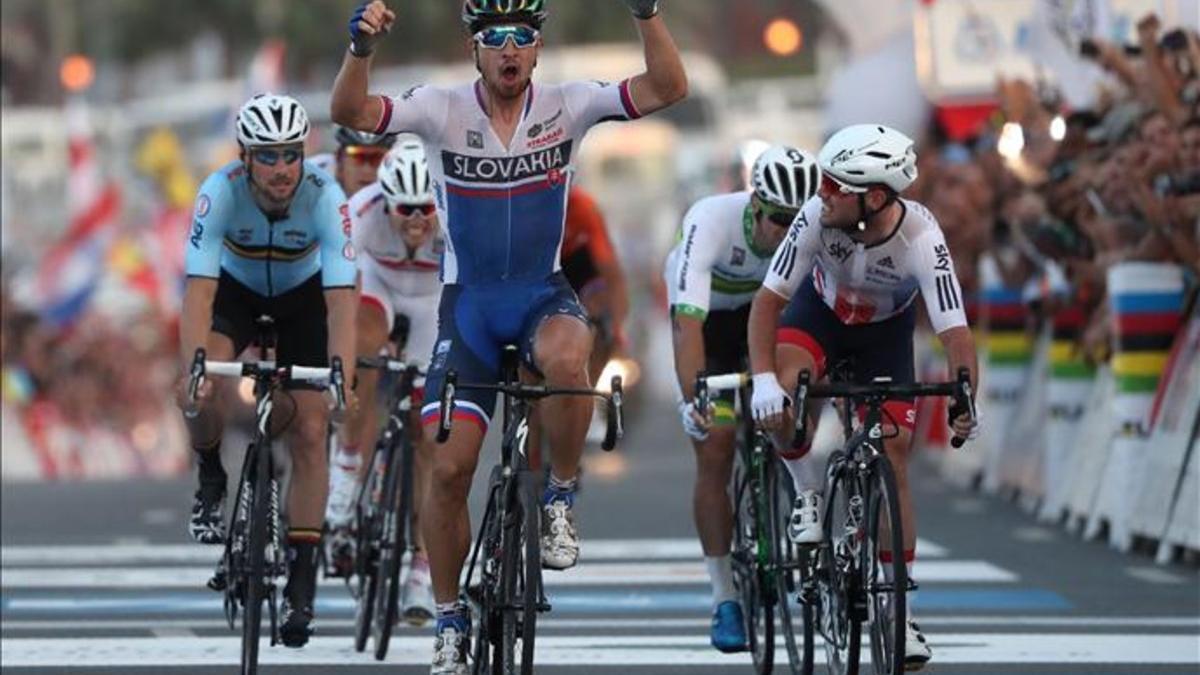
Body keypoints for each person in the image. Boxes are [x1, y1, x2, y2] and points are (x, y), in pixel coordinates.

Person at [329, 0, 687, 671]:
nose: (509, 50)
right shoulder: (440, 110)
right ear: (475, 48)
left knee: (568, 352)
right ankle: (447, 618)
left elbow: (669, 87)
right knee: (447, 470)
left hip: (539, 294)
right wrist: (360, 48)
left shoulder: (569, 105)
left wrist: (646, 13)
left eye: (522, 36)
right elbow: (350, 113)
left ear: (538, 48)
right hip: (468, 310)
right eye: (495, 38)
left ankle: (558, 495)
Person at [747, 124, 980, 671]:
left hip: (883, 337)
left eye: (834, 185)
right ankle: (806, 490)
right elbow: (767, 305)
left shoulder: (921, 235)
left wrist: (964, 397)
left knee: (893, 457)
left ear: (874, 198)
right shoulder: (815, 218)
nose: (820, 192)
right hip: (819, 318)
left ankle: (898, 615)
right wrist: (762, 381)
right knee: (785, 395)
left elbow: (955, 332)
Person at [176, 93, 359, 647]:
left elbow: (342, 303)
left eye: (291, 155)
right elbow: (199, 293)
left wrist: (342, 379)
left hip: (304, 300)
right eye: (267, 156)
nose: (281, 169)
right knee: (194, 392)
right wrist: (195, 370)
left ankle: (302, 579)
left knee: (309, 428)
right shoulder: (219, 193)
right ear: (245, 157)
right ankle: (211, 475)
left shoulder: (328, 198)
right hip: (234, 293)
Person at [665, 144, 820, 652]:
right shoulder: (711, 219)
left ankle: (804, 500)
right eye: (779, 219)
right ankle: (724, 597)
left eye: (798, 221)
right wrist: (694, 399)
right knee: (716, 446)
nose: (787, 231)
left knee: (791, 408)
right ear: (755, 203)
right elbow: (687, 323)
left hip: (763, 325)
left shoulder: (809, 232)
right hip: (708, 327)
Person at [324, 135, 440, 624]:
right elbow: (340, 289)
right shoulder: (361, 210)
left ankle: (422, 569)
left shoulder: (455, 216)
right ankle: (349, 464)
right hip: (379, 285)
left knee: (430, 437)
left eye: (424, 210)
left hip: (435, 300)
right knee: (363, 349)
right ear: (386, 202)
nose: (415, 221)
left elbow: (472, 293)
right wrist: (343, 361)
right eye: (404, 210)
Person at [560, 185, 630, 381]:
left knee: (599, 306)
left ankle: (590, 388)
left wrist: (616, 329)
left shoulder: (581, 205)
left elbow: (613, 276)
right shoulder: (529, 207)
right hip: (542, 262)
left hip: (577, 261)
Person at [310, 125, 398, 198]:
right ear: (339, 160)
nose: (366, 169)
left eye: (377, 157)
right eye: (358, 157)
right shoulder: (312, 176)